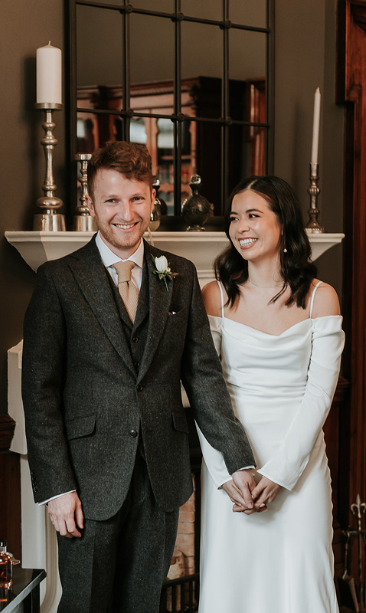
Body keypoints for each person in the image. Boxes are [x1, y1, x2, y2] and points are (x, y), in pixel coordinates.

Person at [21, 141, 257, 613]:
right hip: (88, 483)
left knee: (146, 603)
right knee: (86, 604)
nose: (125, 213)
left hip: (162, 475)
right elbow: (39, 392)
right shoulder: (57, 280)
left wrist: (239, 461)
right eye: (111, 200)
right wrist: (57, 487)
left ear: (153, 199)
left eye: (135, 199)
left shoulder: (181, 275)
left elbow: (204, 376)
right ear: (89, 204)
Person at [198, 176, 343, 612]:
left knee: (303, 582)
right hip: (231, 470)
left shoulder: (321, 298)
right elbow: (207, 392)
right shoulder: (215, 296)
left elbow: (319, 395)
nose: (241, 226)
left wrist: (281, 473)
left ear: (284, 223)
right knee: (232, 585)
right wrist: (226, 473)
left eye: (254, 215)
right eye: (234, 218)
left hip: (298, 467)